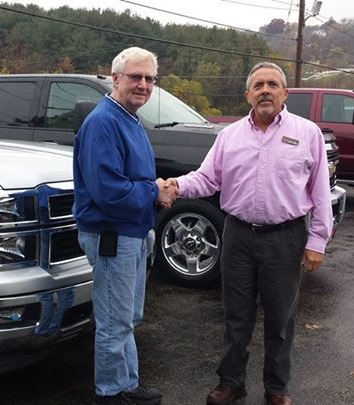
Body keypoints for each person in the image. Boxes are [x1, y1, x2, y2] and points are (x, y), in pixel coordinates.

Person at [165, 61, 333, 405]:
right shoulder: (229, 136)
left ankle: (276, 389)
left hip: (286, 239)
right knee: (235, 315)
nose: (266, 90)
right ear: (247, 95)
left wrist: (317, 241)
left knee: (281, 320)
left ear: (285, 93)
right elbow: (207, 178)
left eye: (273, 84)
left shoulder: (307, 134)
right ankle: (231, 383)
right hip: (238, 237)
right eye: (258, 86)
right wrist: (176, 185)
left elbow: (319, 192)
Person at [73, 46, 172, 405]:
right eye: (135, 76)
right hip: (112, 235)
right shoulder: (103, 122)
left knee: (127, 317)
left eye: (149, 78)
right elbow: (109, 192)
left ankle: (127, 385)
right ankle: (111, 393)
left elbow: (130, 181)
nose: (143, 84)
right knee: (114, 322)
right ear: (115, 78)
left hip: (132, 234)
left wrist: (153, 190)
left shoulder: (128, 118)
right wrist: (154, 190)